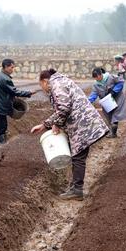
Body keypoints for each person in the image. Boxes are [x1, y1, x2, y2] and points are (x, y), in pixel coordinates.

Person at [30, 68, 108, 201]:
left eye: (40, 85)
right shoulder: (61, 81)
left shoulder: (56, 84)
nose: (42, 89)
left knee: (78, 156)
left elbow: (64, 107)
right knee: (77, 155)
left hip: (83, 123)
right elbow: (64, 108)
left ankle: (77, 190)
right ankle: (74, 187)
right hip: (83, 122)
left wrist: (48, 124)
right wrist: (52, 124)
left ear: (44, 81)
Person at [0, 58, 35, 145]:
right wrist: (28, 93)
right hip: (0, 105)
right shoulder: (4, 79)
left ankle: (2, 141)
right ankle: (1, 143)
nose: (12, 70)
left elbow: (9, 91)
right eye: (11, 67)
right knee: (2, 125)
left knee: (1, 123)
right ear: (6, 67)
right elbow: (14, 91)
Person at [88, 67, 126, 138]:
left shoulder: (110, 77)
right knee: (109, 116)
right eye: (95, 78)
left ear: (100, 75)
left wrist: (114, 91)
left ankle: (113, 133)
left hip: (117, 98)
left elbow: (121, 81)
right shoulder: (96, 84)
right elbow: (94, 93)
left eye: (97, 77)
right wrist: (89, 101)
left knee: (115, 115)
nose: (97, 79)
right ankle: (113, 132)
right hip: (107, 101)